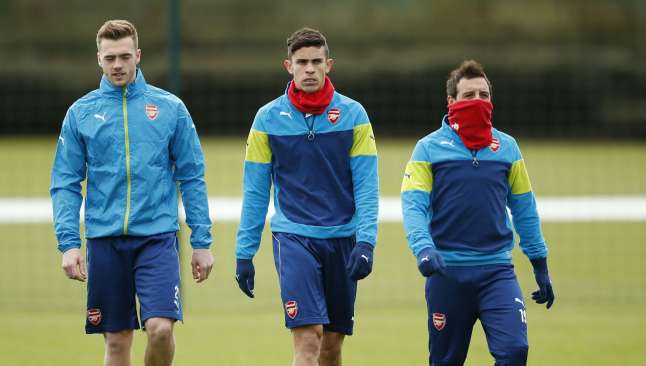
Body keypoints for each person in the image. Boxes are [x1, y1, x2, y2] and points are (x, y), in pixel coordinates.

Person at [50, 19, 214, 366]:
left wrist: (202, 242)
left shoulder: (170, 109)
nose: (118, 65)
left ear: (138, 55)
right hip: (104, 239)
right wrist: (68, 243)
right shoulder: (80, 113)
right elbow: (65, 181)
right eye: (110, 58)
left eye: (125, 56)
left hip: (157, 237)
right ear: (99, 59)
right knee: (116, 341)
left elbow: (193, 176)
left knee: (160, 330)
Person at [234, 27, 379, 366]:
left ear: (329, 65)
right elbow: (255, 192)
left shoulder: (354, 116)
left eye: (316, 61)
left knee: (331, 345)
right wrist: (245, 252)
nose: (309, 69)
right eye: (302, 62)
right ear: (289, 66)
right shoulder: (267, 119)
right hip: (294, 238)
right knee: (308, 337)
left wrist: (367, 242)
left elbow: (367, 186)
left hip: (343, 239)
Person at [401, 60, 555, 366]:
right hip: (447, 274)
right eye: (469, 95)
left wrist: (539, 262)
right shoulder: (428, 149)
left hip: (497, 272)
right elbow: (413, 204)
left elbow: (525, 208)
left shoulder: (508, 148)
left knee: (514, 352)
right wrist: (423, 249)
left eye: (484, 95)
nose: (478, 102)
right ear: (452, 101)